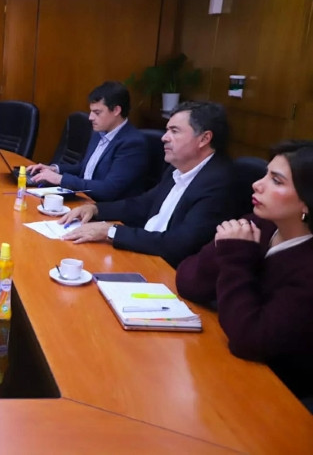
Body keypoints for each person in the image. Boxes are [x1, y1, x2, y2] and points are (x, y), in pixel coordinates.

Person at [176, 140, 313, 406]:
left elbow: (250, 340)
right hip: (224, 364)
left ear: (307, 202)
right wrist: (226, 251)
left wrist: (235, 259)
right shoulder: (261, 224)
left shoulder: (306, 266)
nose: (257, 184)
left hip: (278, 395)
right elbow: (188, 281)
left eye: (276, 181)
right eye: (265, 174)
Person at [58, 101, 236, 268]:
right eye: (167, 131)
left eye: (174, 131)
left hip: (166, 273)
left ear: (204, 139)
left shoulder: (219, 183)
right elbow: (143, 204)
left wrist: (111, 231)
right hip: (142, 255)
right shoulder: (178, 168)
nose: (164, 138)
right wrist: (96, 209)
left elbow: (179, 244)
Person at [27, 81, 149, 201]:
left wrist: (60, 179)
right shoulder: (99, 133)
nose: (90, 117)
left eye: (97, 112)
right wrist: (54, 169)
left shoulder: (132, 143)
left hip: (106, 211)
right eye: (91, 111)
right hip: (84, 200)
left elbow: (109, 189)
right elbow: (86, 170)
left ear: (116, 110)